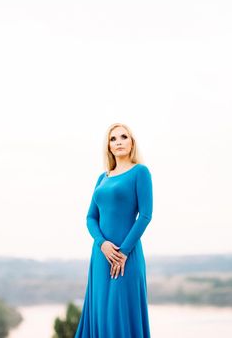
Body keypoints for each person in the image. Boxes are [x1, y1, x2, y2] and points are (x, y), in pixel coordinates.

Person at [75, 123, 153, 338]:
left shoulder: (140, 172)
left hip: (125, 256)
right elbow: (91, 217)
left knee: (118, 314)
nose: (118, 142)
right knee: (100, 313)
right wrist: (102, 244)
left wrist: (123, 253)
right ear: (108, 146)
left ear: (132, 142)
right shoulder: (102, 178)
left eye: (123, 137)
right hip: (101, 256)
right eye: (113, 139)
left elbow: (145, 216)